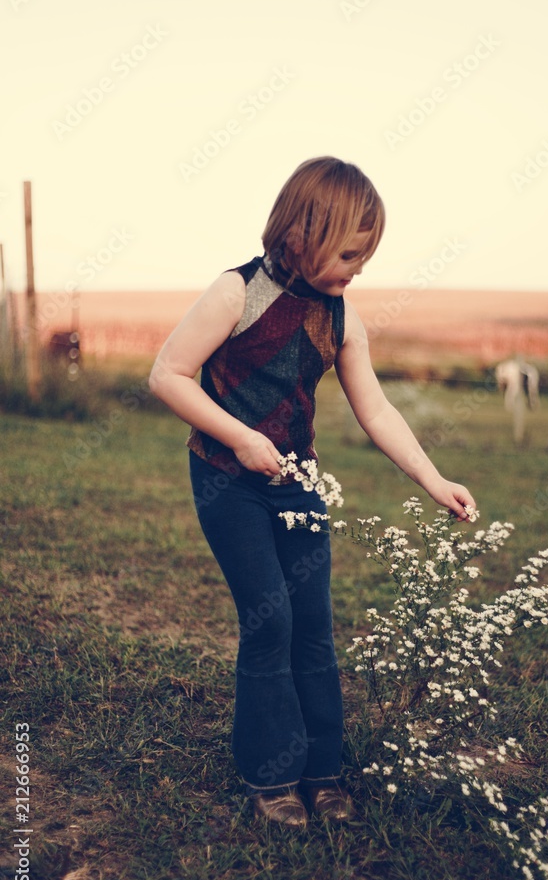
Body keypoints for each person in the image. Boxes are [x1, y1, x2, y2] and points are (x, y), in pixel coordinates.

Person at [149, 156, 476, 829]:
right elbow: (169, 375)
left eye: (366, 255)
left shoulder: (342, 317)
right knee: (269, 621)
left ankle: (322, 773)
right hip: (226, 480)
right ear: (300, 233)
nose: (360, 268)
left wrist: (431, 478)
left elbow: (377, 411)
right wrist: (239, 437)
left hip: (298, 486)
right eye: (351, 253)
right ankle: (270, 778)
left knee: (313, 631)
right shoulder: (234, 293)